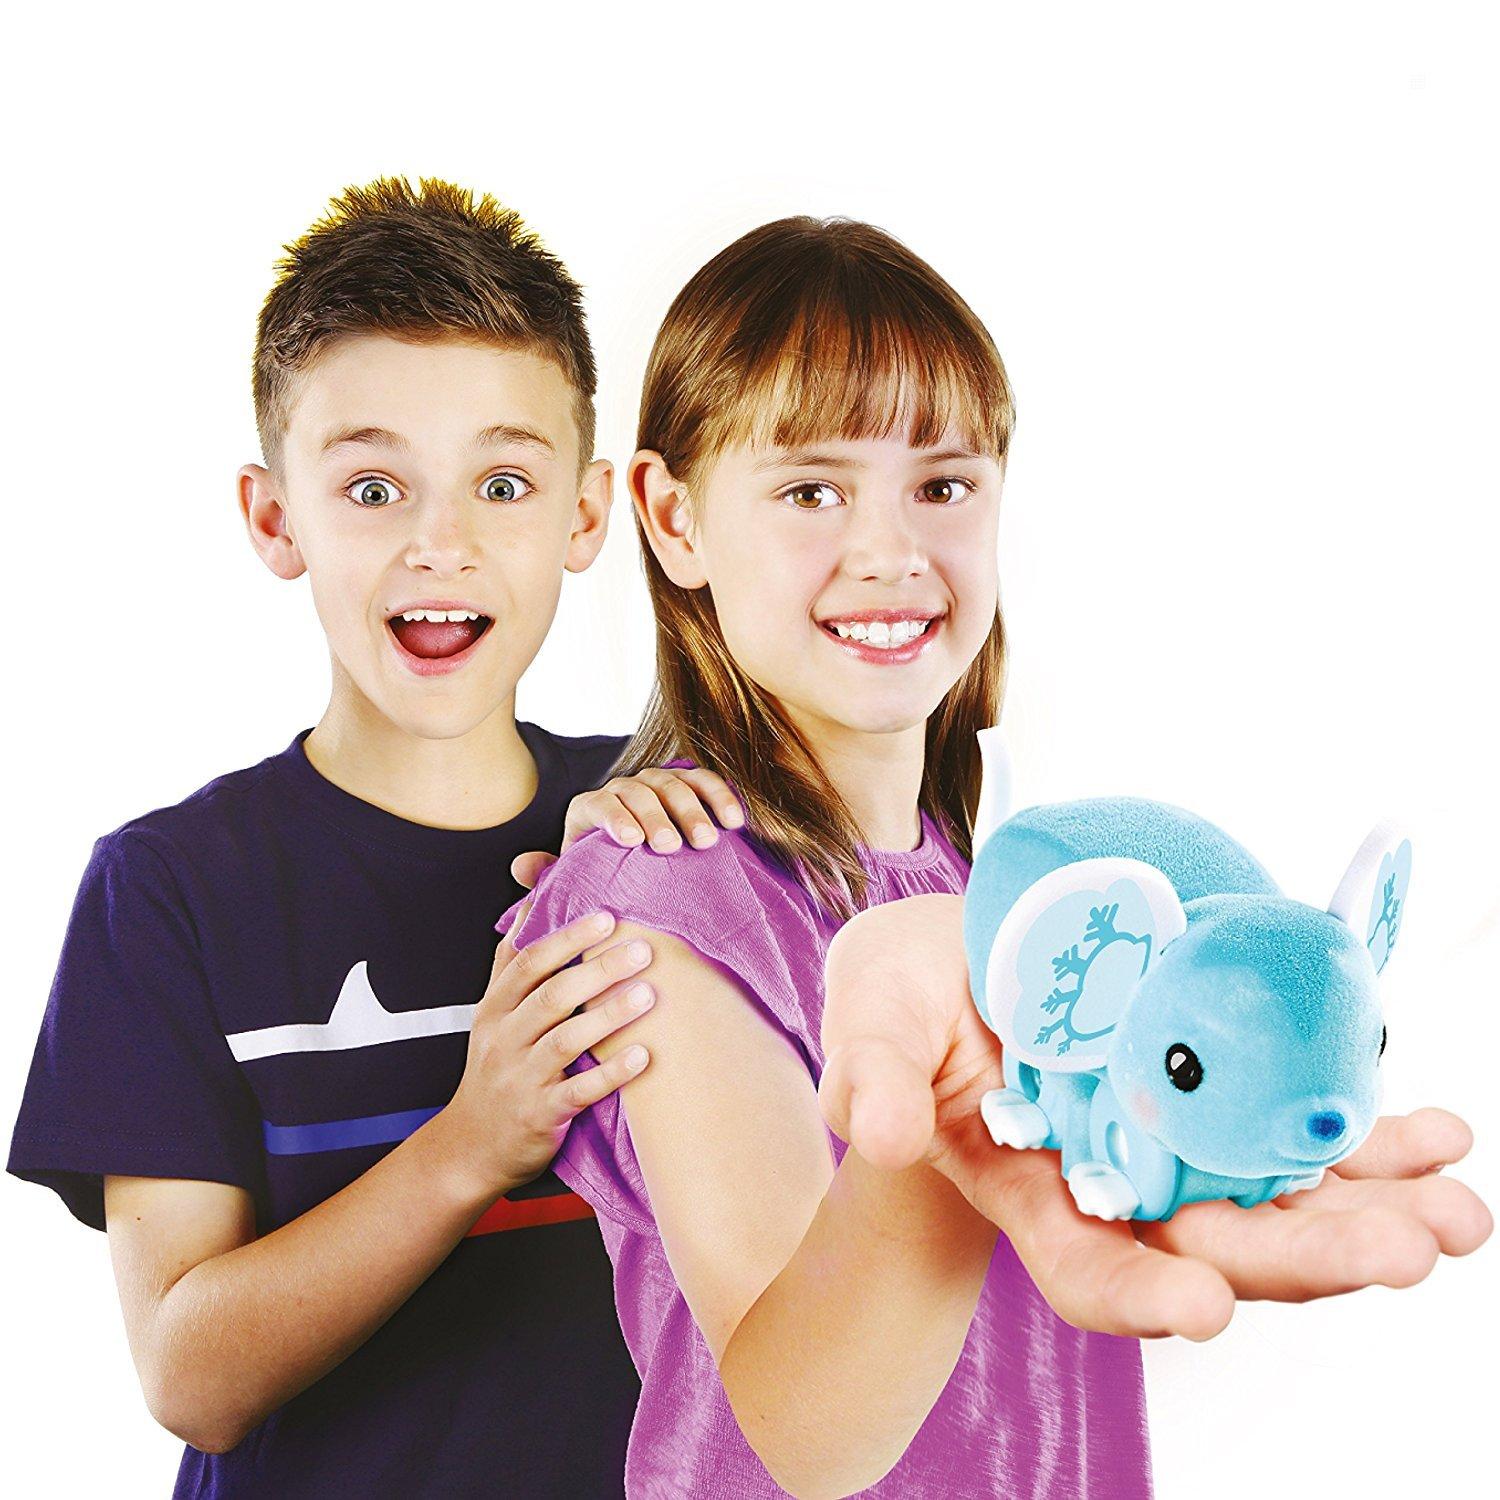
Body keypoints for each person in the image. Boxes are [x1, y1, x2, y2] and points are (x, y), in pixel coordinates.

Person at [498, 216, 1490, 1498]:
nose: (891, 552)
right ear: (672, 518)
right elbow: (803, 1429)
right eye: (811, 490)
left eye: (943, 485)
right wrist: (948, 1130)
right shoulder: (657, 909)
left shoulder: (999, 890)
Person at [6, 176, 745, 1497]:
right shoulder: (169, 889)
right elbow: (188, 1378)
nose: (440, 544)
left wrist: (672, 877)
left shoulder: (670, 823)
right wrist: (476, 1138)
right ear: (274, 517)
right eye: (372, 487)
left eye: (503, 483)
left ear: (586, 515)